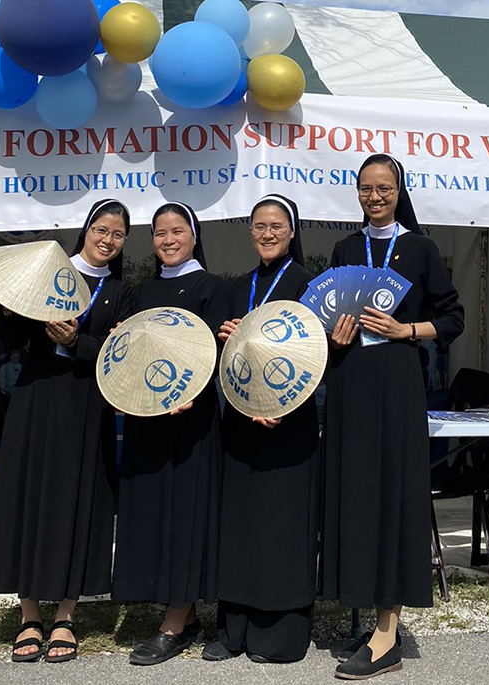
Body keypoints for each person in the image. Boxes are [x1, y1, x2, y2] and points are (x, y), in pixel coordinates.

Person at [323, 154, 465, 679]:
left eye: (384, 188)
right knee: (359, 494)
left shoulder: (420, 248)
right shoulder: (343, 247)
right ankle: (367, 606)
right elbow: (330, 313)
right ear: (356, 192)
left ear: (399, 190)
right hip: (351, 384)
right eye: (366, 188)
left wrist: (408, 330)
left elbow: (453, 317)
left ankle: (388, 630)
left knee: (395, 494)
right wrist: (334, 333)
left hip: (399, 386)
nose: (375, 197)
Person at [0, 199, 134, 663]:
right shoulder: (50, 271)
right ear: (86, 230)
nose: (108, 240)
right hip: (37, 401)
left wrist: (76, 343)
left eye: (118, 234)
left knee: (78, 499)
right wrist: (0, 304)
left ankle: (65, 614)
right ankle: (29, 614)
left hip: (88, 406)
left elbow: (117, 352)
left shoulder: (120, 293)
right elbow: (9, 342)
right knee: (29, 495)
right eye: (101, 229)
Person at [112, 202, 231, 666]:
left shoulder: (211, 287)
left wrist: (192, 391)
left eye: (176, 231)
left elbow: (215, 352)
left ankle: (176, 621)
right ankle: (171, 605)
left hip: (190, 420)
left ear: (194, 236)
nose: (167, 240)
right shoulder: (142, 291)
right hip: (146, 420)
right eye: (159, 233)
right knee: (153, 514)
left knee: (185, 514)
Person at [203, 195, 320, 664]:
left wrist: (285, 407)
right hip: (242, 422)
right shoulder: (239, 287)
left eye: (276, 226)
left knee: (282, 527)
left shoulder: (309, 285)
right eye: (259, 226)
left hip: (289, 424)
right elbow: (223, 356)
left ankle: (280, 633)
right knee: (241, 526)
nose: (267, 233)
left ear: (291, 232)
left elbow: (318, 357)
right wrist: (226, 337)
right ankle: (234, 629)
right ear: (250, 232)